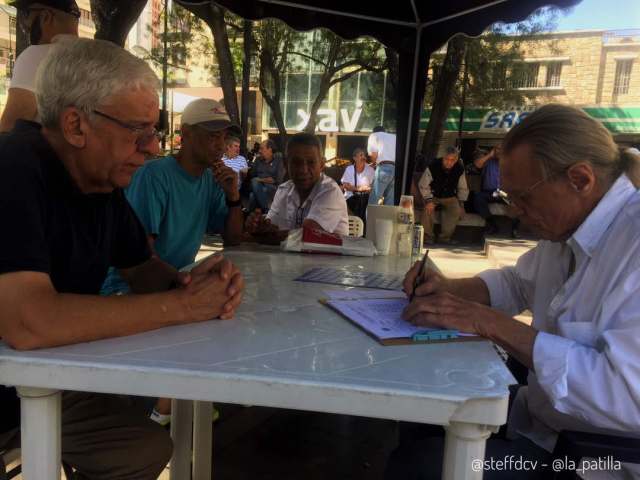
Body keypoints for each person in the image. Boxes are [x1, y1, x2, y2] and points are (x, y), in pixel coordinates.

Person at [0, 37, 244, 479]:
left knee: (142, 449)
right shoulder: (13, 169)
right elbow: (28, 322)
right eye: (140, 131)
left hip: (45, 378)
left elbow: (143, 268)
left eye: (155, 130)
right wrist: (183, 306)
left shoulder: (97, 181)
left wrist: (194, 284)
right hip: (11, 386)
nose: (152, 148)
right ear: (76, 126)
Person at [390, 104, 640, 479]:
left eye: (525, 198)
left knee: (422, 467)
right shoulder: (572, 226)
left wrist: (490, 323)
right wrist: (448, 288)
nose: (517, 212)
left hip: (589, 460)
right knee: (419, 402)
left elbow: (624, 394)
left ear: (581, 179)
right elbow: (517, 283)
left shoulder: (631, 244)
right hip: (537, 423)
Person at [246, 132, 349, 243]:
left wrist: (266, 235)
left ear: (321, 164)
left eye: (311, 162)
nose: (303, 170)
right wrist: (258, 226)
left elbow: (308, 235)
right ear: (286, 164)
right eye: (296, 162)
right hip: (291, 260)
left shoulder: (330, 191)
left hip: (329, 260)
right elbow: (270, 227)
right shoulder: (283, 190)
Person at [0, 0, 79, 132]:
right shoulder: (94, 57)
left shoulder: (36, 55)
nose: (25, 24)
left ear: (46, 17)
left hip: (45, 152)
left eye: (26, 14)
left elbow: (9, 127)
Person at [418, 146, 469, 244]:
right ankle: (428, 237)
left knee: (455, 210)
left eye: (452, 160)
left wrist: (461, 204)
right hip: (433, 196)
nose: (449, 162)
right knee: (427, 209)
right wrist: (428, 200)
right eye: (446, 159)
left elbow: (462, 187)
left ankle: (445, 238)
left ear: (456, 159)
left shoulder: (459, 168)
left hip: (450, 197)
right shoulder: (433, 166)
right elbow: (423, 185)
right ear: (443, 157)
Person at [249, 138, 285, 211]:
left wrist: (260, 179)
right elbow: (252, 175)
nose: (259, 151)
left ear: (270, 149)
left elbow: (278, 180)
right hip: (258, 186)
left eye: (262, 149)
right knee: (253, 190)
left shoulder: (278, 160)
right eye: (259, 149)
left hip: (272, 189)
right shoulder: (258, 160)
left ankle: (263, 211)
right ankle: (266, 210)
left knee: (253, 195)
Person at [341, 147, 375, 222]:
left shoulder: (370, 170)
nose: (363, 157)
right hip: (351, 198)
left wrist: (364, 189)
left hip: (365, 199)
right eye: (361, 155)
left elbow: (372, 187)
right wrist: (359, 189)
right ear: (354, 158)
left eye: (364, 155)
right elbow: (346, 186)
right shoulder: (349, 169)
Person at [367, 125, 397, 206]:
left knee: (374, 199)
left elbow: (374, 154)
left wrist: (373, 164)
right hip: (395, 169)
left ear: (374, 131)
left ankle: (370, 219)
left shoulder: (374, 135)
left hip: (384, 168)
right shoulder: (394, 137)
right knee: (390, 201)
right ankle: (388, 218)